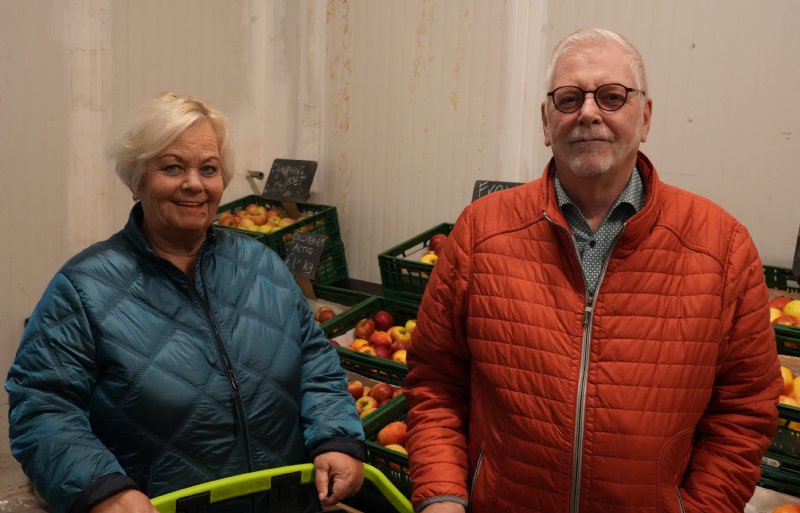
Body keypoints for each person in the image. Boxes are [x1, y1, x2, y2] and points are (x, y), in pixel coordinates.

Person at [404, 28, 782, 513]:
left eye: (611, 96)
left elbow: (744, 411)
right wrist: (442, 497)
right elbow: (435, 380)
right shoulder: (481, 232)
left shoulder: (722, 248)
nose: (587, 112)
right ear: (546, 122)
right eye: (568, 98)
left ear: (644, 117)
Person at [6, 92, 365, 513]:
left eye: (208, 169)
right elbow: (43, 406)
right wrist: (104, 490)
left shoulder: (261, 265)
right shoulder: (84, 288)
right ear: (138, 179)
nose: (194, 183)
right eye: (172, 167)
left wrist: (336, 437)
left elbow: (315, 362)